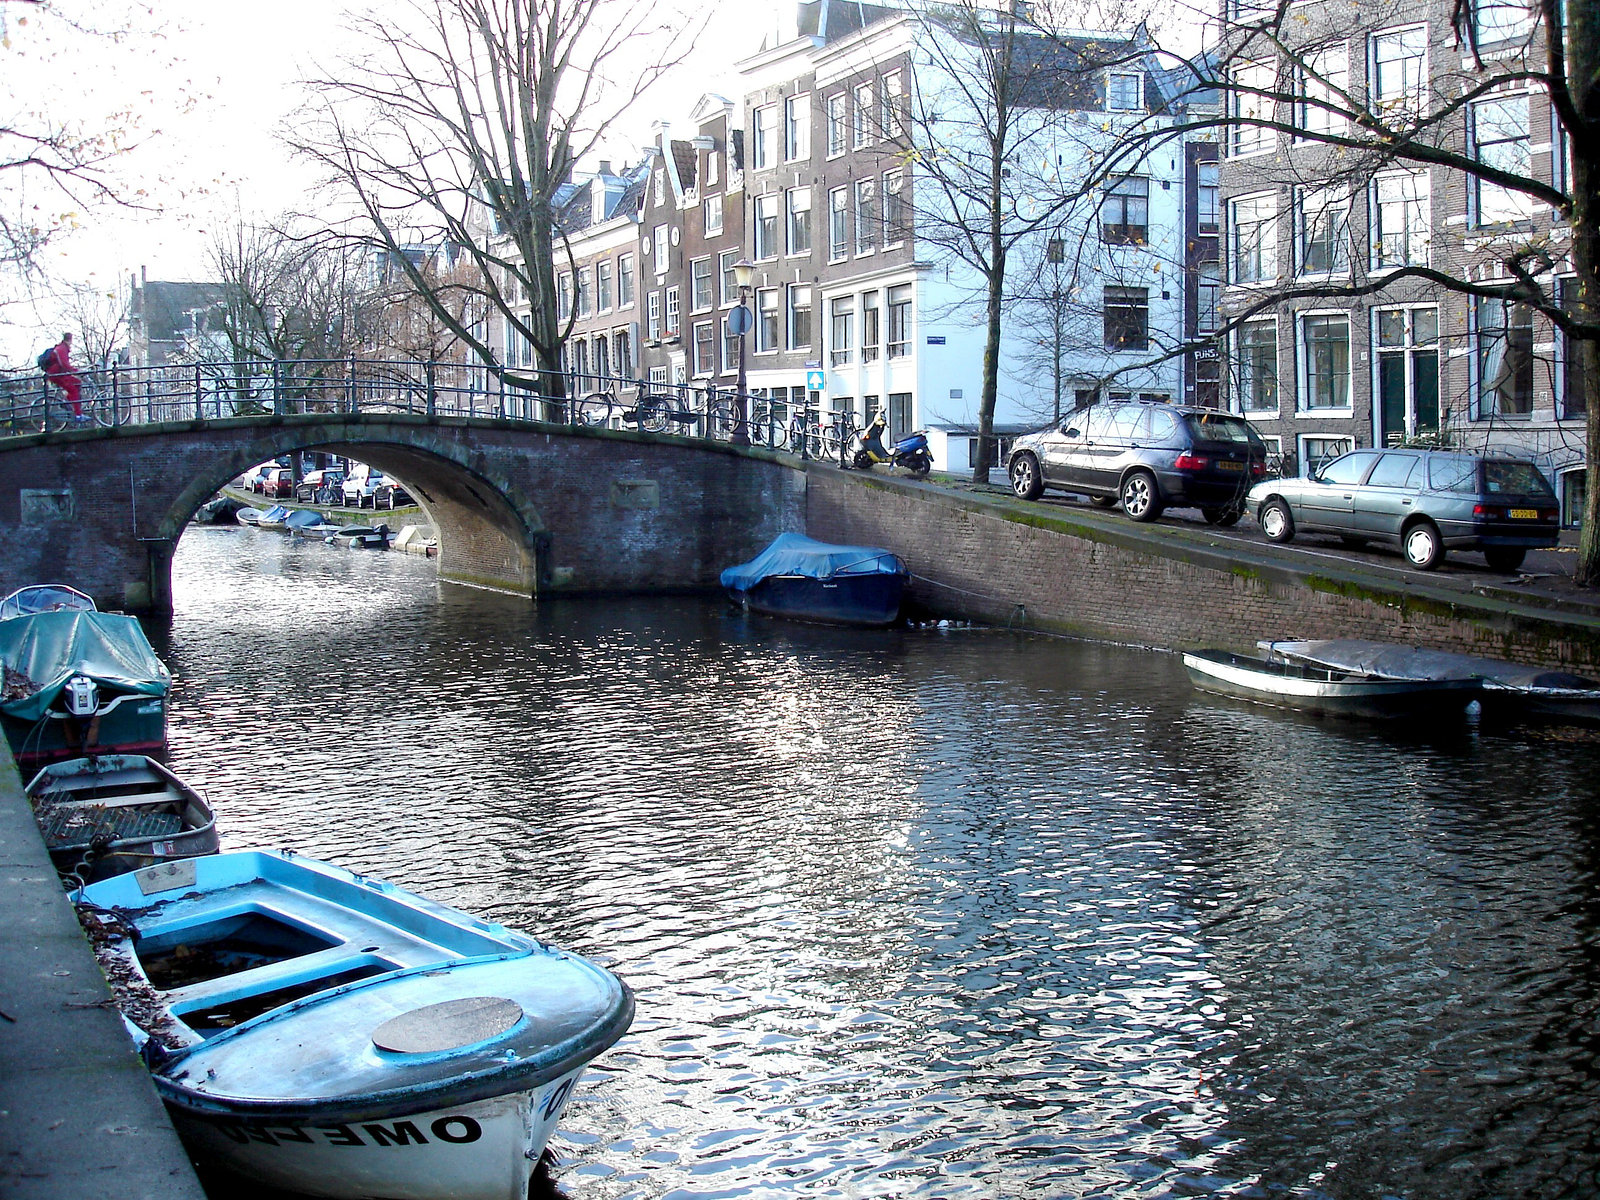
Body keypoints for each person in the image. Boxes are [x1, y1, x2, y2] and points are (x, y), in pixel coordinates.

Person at [42, 332, 83, 420]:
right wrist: (76, 371)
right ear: (70, 340)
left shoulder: (62, 348)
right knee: (74, 391)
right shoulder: (61, 349)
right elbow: (64, 364)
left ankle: (68, 403)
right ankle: (78, 415)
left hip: (59, 373)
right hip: (57, 375)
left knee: (78, 383)